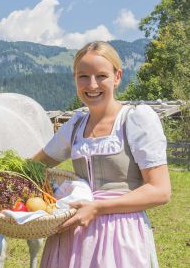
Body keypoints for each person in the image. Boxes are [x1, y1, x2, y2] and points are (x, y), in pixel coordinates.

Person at [33, 41, 171, 268]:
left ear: (117, 77)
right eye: (83, 76)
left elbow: (160, 190)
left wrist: (97, 208)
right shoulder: (76, 125)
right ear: (75, 79)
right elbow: (35, 164)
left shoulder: (135, 120)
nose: (92, 84)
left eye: (102, 76)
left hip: (120, 232)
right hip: (74, 232)